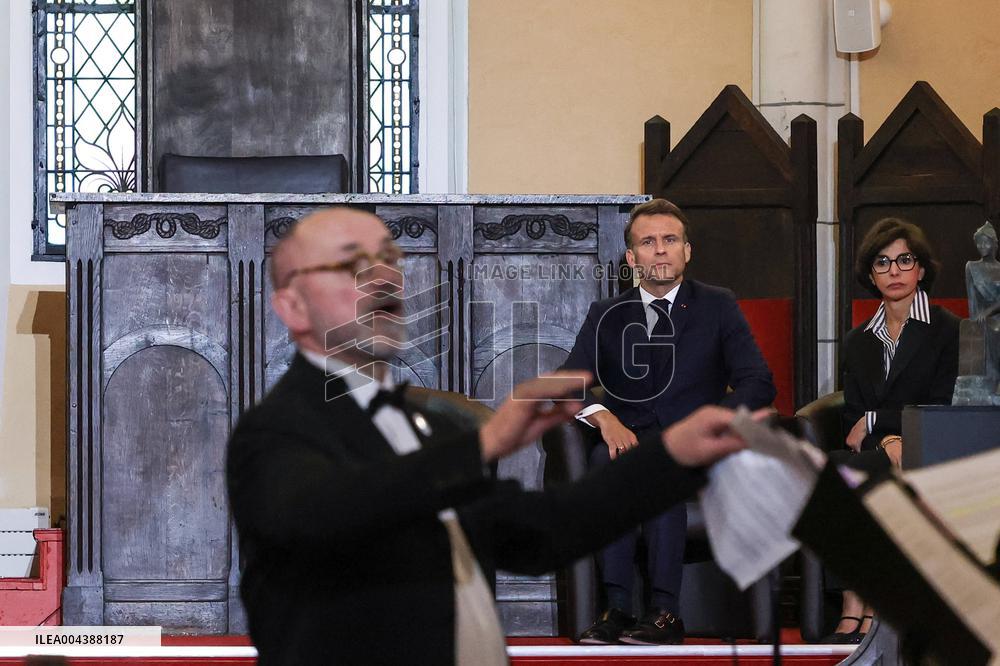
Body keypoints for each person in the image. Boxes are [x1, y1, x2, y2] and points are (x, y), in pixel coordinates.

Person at [225, 206, 758, 665]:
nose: (382, 277)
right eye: (350, 263)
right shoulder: (274, 431)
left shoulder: (426, 428)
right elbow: (322, 514)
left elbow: (542, 534)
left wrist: (671, 456)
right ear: (292, 306)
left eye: (389, 257)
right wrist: (481, 445)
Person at [560, 198, 776, 645]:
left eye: (670, 240)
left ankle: (664, 612)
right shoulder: (607, 315)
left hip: (697, 447)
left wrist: (714, 423)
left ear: (687, 251)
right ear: (631, 257)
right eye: (648, 242)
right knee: (606, 463)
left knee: (663, 466)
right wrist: (604, 418)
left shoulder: (717, 306)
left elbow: (757, 382)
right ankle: (617, 610)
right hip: (630, 443)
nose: (660, 250)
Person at [827, 217, 960, 643]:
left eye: (905, 260)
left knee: (861, 471)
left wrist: (878, 420)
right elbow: (851, 420)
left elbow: (943, 403)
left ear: (921, 269)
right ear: (871, 275)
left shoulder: (949, 330)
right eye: (882, 263)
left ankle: (863, 609)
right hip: (881, 451)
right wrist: (885, 434)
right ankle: (859, 605)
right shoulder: (858, 340)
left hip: (937, 447)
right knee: (840, 468)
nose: (894, 271)